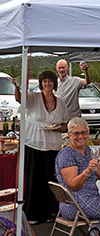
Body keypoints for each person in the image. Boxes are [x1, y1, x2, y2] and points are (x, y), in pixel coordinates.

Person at [14, 70, 68, 224]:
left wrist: (61, 129)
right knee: (34, 179)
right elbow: (19, 99)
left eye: (50, 81)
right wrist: (17, 87)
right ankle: (31, 214)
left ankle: (47, 213)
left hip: (53, 146)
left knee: (49, 180)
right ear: (41, 83)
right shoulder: (33, 98)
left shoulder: (61, 102)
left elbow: (65, 124)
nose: (47, 84)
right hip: (34, 144)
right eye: (44, 81)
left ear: (54, 83)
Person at [56, 118, 100, 236]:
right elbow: (73, 185)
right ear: (69, 135)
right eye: (76, 133)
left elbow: (97, 176)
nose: (80, 136)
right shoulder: (67, 155)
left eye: (84, 132)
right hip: (76, 206)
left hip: (85, 201)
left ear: (88, 133)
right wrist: (88, 170)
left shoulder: (86, 150)